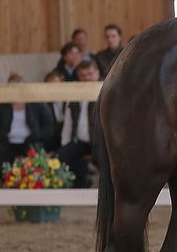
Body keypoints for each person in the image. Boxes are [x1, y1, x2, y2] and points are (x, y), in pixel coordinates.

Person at [58, 59, 101, 188]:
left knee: (102, 160)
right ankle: (80, 182)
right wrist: (65, 144)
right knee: (61, 157)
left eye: (90, 74)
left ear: (97, 74)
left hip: (100, 142)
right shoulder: (74, 94)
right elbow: (68, 122)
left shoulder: (105, 92)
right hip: (80, 141)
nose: (87, 78)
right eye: (83, 75)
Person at [0, 72, 54, 165]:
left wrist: (39, 135)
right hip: (6, 142)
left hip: (30, 141)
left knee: (35, 162)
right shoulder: (3, 105)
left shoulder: (36, 103)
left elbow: (48, 123)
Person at [42, 70, 65, 152]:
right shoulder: (45, 104)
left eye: (56, 86)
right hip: (53, 136)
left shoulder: (70, 101)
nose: (53, 90)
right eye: (50, 87)